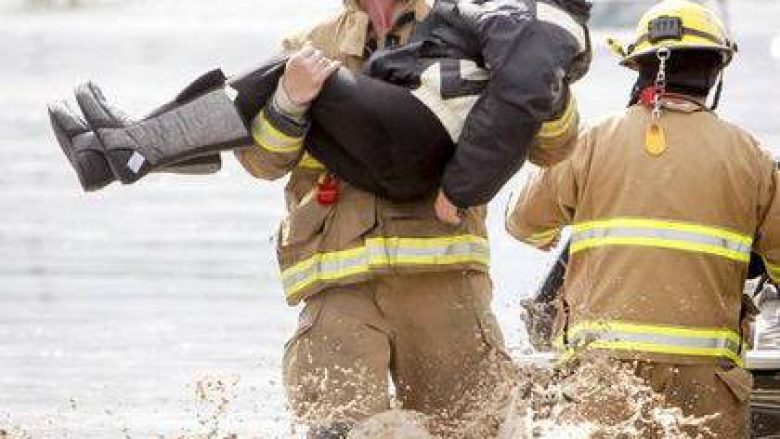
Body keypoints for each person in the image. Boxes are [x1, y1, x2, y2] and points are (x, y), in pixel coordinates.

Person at [505, 1, 780, 436]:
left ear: (640, 69)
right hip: (705, 378)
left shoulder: (591, 141)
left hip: (604, 373)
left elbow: (525, 225)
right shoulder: (755, 159)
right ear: (714, 72)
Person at [48, 0, 590, 217]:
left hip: (441, 266)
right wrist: (290, 101)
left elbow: (551, 146)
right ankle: (129, 150)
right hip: (339, 283)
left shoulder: (486, 16)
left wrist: (548, 83)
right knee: (280, 73)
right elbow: (261, 162)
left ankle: (136, 149)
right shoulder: (313, 38)